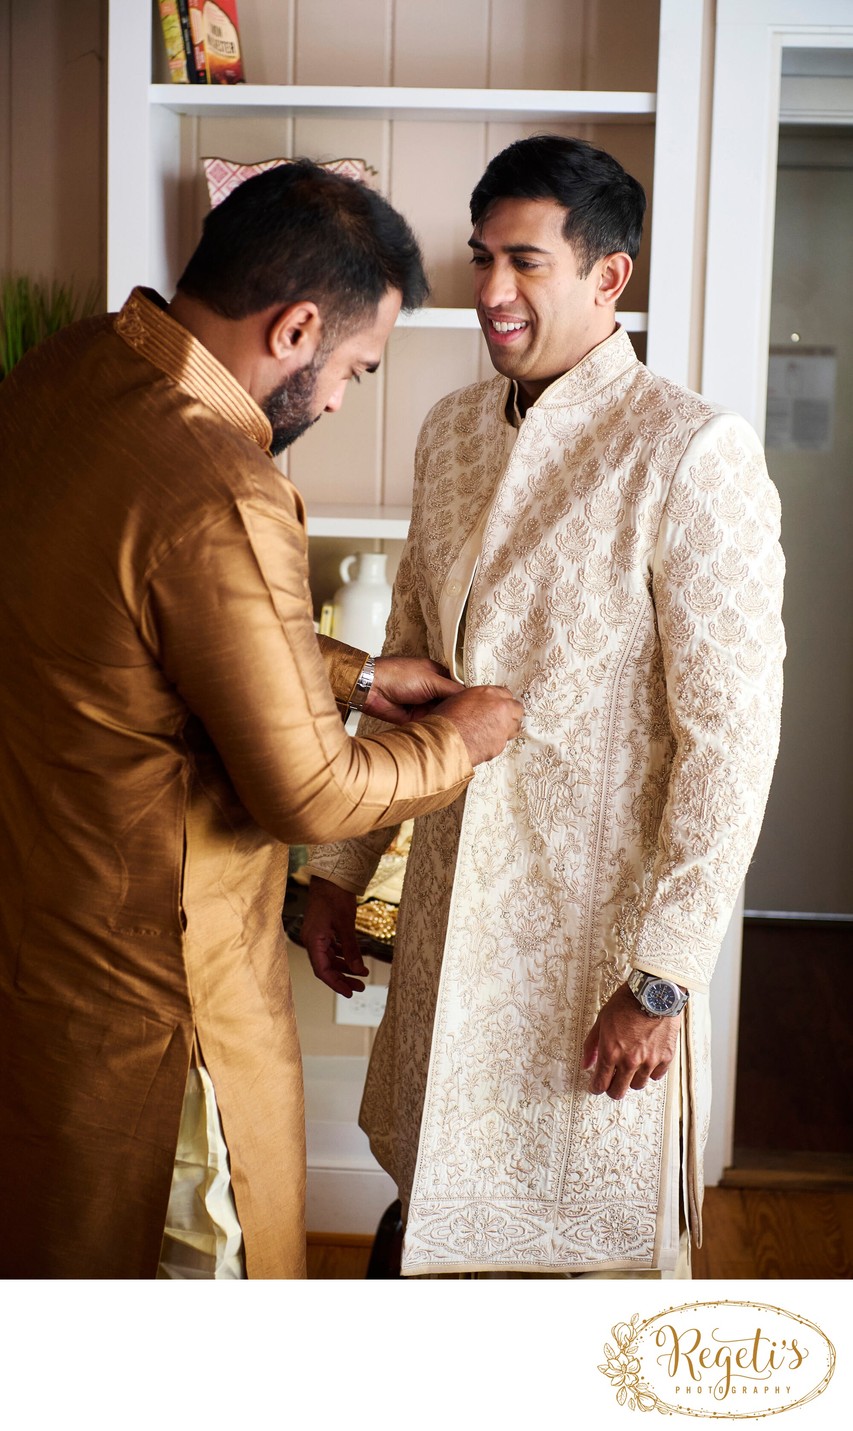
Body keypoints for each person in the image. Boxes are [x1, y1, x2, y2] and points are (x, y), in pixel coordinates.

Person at [0, 160, 523, 1280]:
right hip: (164, 1004)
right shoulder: (221, 482)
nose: (337, 401)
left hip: (43, 952)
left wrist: (361, 677)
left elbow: (131, 629)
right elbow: (309, 795)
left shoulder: (61, 373)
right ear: (293, 328)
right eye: (352, 368)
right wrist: (462, 739)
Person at [303, 135, 785, 1278]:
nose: (492, 293)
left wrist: (660, 976)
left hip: (594, 954)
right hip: (448, 906)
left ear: (607, 277)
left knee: (575, 1263)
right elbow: (412, 661)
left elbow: (732, 738)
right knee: (427, 1208)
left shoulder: (691, 449)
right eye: (481, 259)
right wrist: (333, 871)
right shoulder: (455, 433)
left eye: (525, 261)